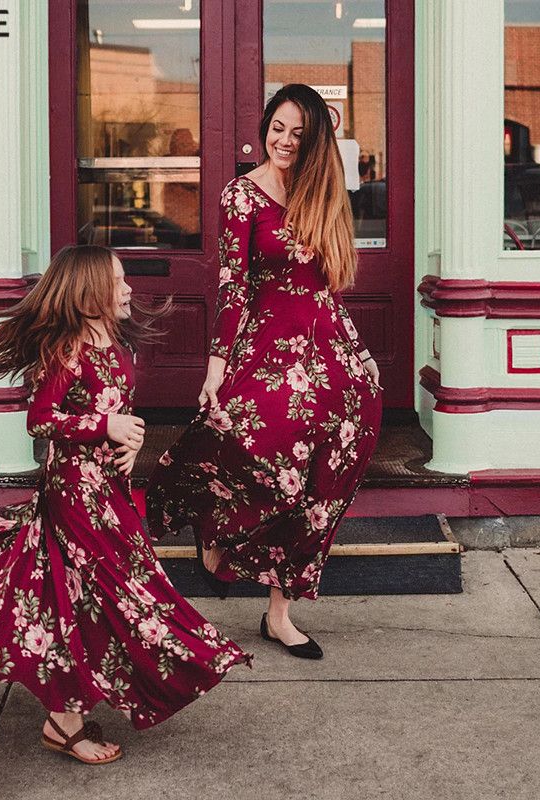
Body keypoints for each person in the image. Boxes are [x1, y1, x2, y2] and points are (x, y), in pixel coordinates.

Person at [0, 245, 250, 765]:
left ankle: (70, 710)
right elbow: (40, 420)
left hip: (108, 492)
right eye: (118, 282)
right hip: (75, 494)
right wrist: (104, 427)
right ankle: (67, 718)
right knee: (94, 596)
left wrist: (131, 439)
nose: (128, 290)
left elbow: (115, 409)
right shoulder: (69, 349)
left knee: (86, 595)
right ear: (91, 292)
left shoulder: (114, 343)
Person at [147, 84, 383, 659]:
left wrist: (360, 349)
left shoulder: (322, 195)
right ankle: (215, 523)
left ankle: (280, 611)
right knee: (260, 450)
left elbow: (325, 287)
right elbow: (231, 285)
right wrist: (216, 365)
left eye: (297, 134)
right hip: (267, 347)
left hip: (326, 347)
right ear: (264, 129)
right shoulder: (241, 197)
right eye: (277, 128)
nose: (283, 140)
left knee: (323, 477)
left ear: (313, 142)